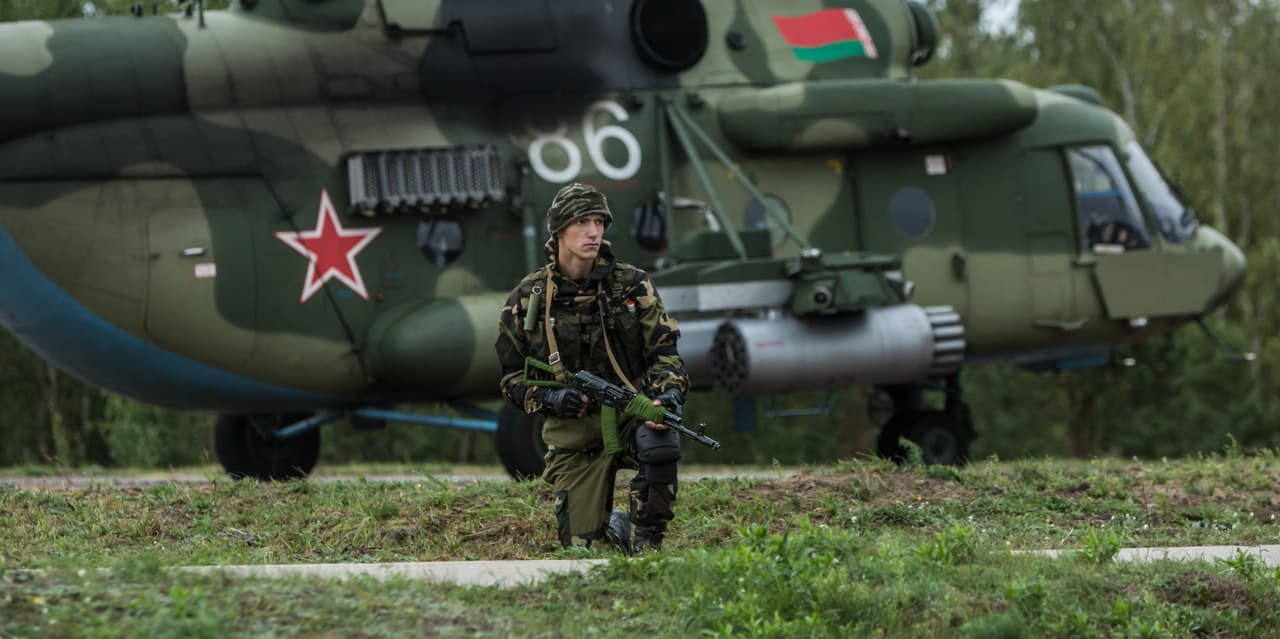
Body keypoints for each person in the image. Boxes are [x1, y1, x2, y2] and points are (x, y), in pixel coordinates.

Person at [495, 183, 689, 553]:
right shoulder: (528, 298)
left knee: (660, 441)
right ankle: (614, 530)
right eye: (582, 222)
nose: (593, 232)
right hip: (574, 432)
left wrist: (668, 395)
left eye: (599, 222)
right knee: (584, 553)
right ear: (559, 231)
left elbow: (666, 354)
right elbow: (510, 379)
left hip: (630, 412)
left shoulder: (633, 286)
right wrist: (550, 398)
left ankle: (648, 541)